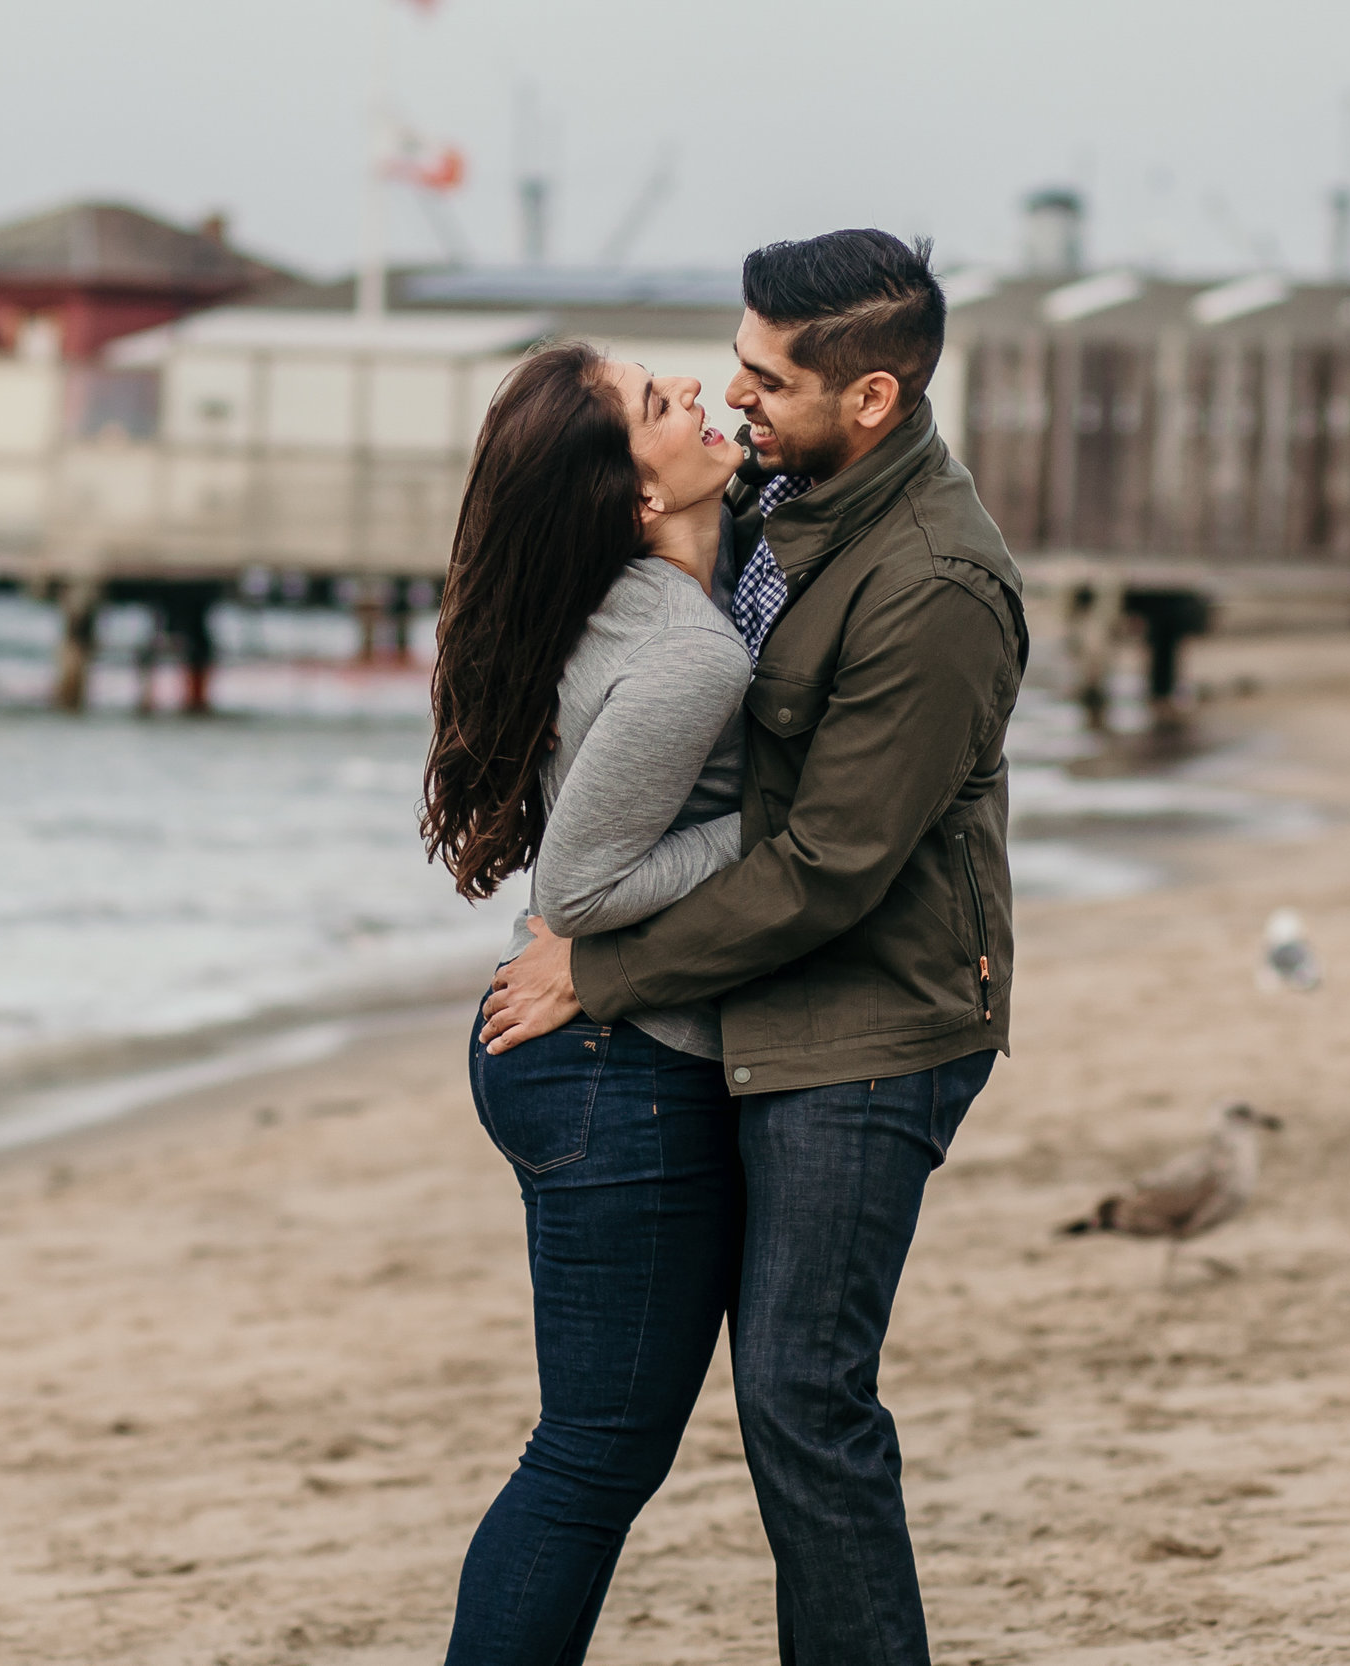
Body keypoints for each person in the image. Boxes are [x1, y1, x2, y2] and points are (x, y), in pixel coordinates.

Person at [478, 230, 1028, 1666]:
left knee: (798, 1396)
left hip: (870, 1015)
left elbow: (830, 862)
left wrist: (601, 970)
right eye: (725, 366)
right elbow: (647, 799)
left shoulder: (933, 585)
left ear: (873, 401)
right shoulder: (785, 495)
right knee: (647, 1435)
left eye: (764, 378)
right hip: (745, 1011)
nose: (731, 395)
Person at [421, 341, 771, 1664]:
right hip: (607, 1067)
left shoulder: (649, 595)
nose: (691, 388)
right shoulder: (687, 649)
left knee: (591, 1457)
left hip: (575, 1061)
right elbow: (582, 884)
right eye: (653, 401)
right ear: (634, 496)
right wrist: (768, 832)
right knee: (588, 1463)